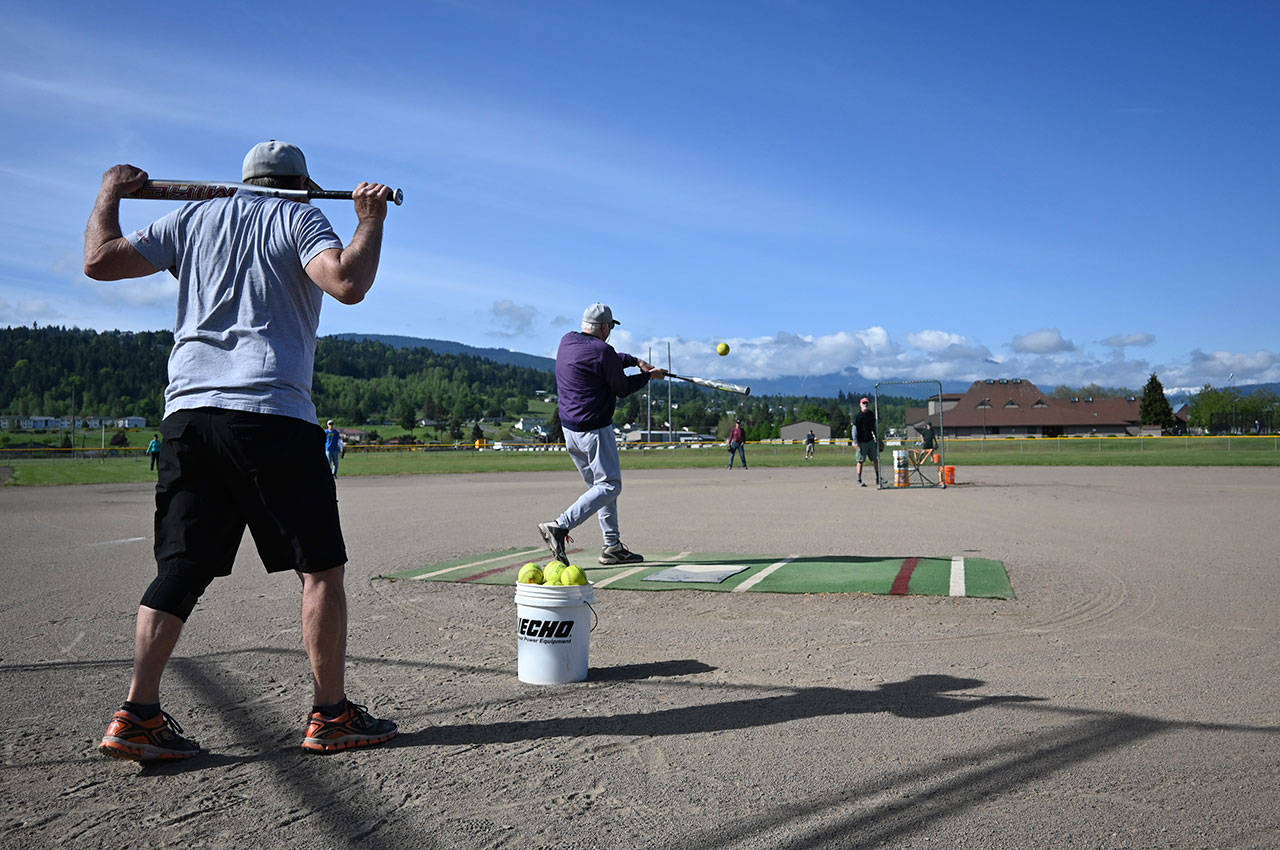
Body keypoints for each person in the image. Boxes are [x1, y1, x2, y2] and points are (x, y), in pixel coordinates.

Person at [83, 141, 397, 761]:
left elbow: (99, 261)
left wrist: (109, 193)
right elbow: (348, 283)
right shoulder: (299, 216)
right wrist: (369, 221)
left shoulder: (194, 216)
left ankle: (137, 714)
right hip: (271, 414)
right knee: (319, 568)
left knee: (180, 567)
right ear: (301, 183)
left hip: (189, 416)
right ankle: (331, 715)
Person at [537, 303, 666, 566]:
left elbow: (605, 359)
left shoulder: (567, 341)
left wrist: (635, 361)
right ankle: (560, 525)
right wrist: (648, 377)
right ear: (605, 327)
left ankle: (612, 546)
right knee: (610, 486)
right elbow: (621, 387)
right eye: (610, 328)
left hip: (570, 432)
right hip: (594, 431)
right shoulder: (603, 350)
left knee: (600, 490)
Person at [853, 397, 879, 487]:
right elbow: (854, 430)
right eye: (863, 403)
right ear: (860, 404)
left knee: (875, 459)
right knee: (860, 460)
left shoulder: (871, 414)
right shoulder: (858, 416)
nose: (865, 405)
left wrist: (877, 438)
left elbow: (873, 427)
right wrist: (855, 442)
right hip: (861, 442)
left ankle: (878, 478)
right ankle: (859, 479)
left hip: (870, 440)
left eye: (866, 403)